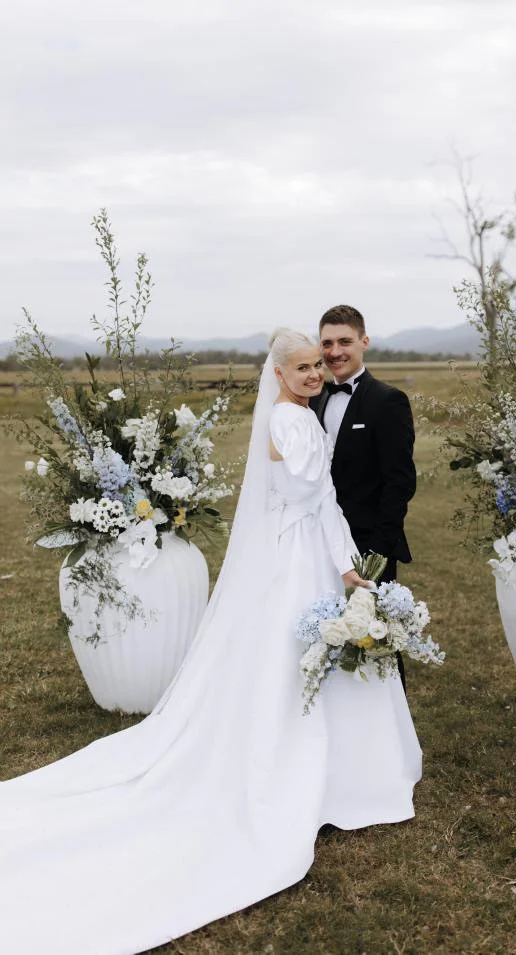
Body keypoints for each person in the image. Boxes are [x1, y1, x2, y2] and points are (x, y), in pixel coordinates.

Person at [0, 328, 421, 955]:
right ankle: (285, 764)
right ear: (278, 374)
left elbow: (329, 502)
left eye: (317, 366)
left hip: (316, 551)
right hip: (287, 558)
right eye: (302, 367)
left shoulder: (304, 419)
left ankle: (347, 772)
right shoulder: (288, 423)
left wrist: (346, 565)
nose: (313, 374)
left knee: (326, 654)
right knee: (290, 654)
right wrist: (313, 453)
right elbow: (308, 493)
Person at [310, 305, 417, 689]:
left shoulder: (388, 401)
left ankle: (394, 731)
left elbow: (400, 482)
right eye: (327, 343)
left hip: (368, 545)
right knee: (328, 633)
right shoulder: (315, 398)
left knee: (378, 637)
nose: (335, 351)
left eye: (344, 341)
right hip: (318, 540)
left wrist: (377, 553)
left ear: (364, 342)